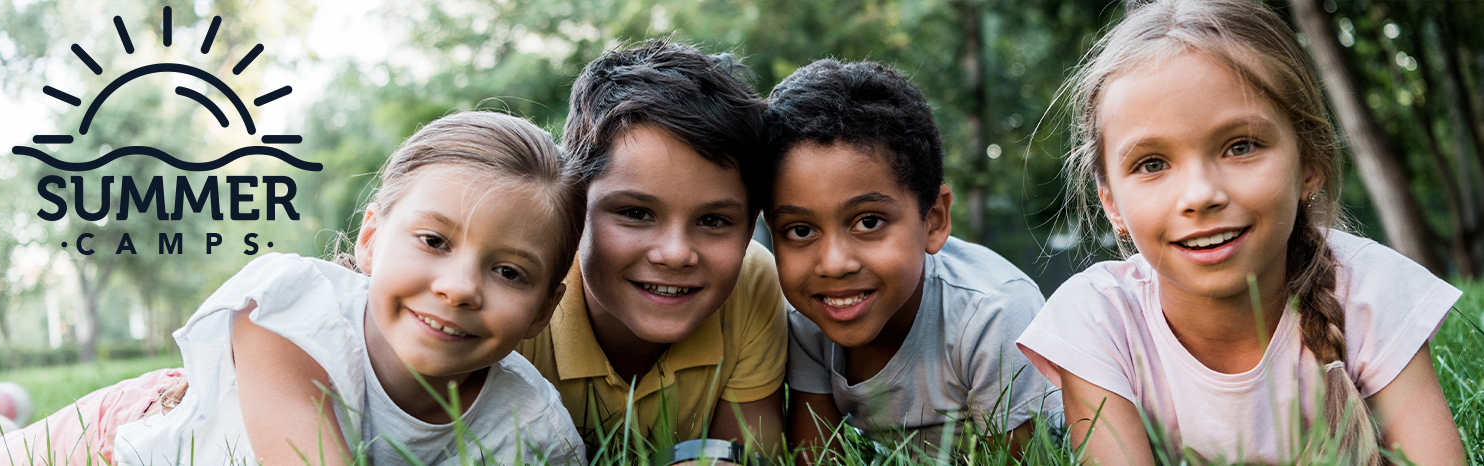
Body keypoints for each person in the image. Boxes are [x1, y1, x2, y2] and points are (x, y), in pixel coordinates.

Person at [0, 112, 587, 465]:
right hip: (117, 441)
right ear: (372, 239)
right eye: (433, 241)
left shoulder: (532, 430)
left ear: (544, 310)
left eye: (509, 272)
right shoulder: (291, 309)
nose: (459, 288)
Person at [1015, 1, 1467, 465]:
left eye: (1241, 146)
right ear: (1111, 202)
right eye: (1152, 164)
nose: (1200, 195)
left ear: (1309, 163)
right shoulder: (1096, 320)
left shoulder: (1369, 291)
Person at [764, 59, 1061, 461]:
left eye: (868, 222)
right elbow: (814, 455)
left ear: (934, 220)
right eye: (800, 230)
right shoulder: (807, 313)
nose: (833, 264)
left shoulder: (993, 313)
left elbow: (1028, 459)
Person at [515, 40, 786, 455]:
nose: (676, 253)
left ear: (750, 228)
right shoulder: (514, 289)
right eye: (636, 213)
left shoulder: (751, 281)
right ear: (573, 207)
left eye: (713, 221)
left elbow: (741, 455)